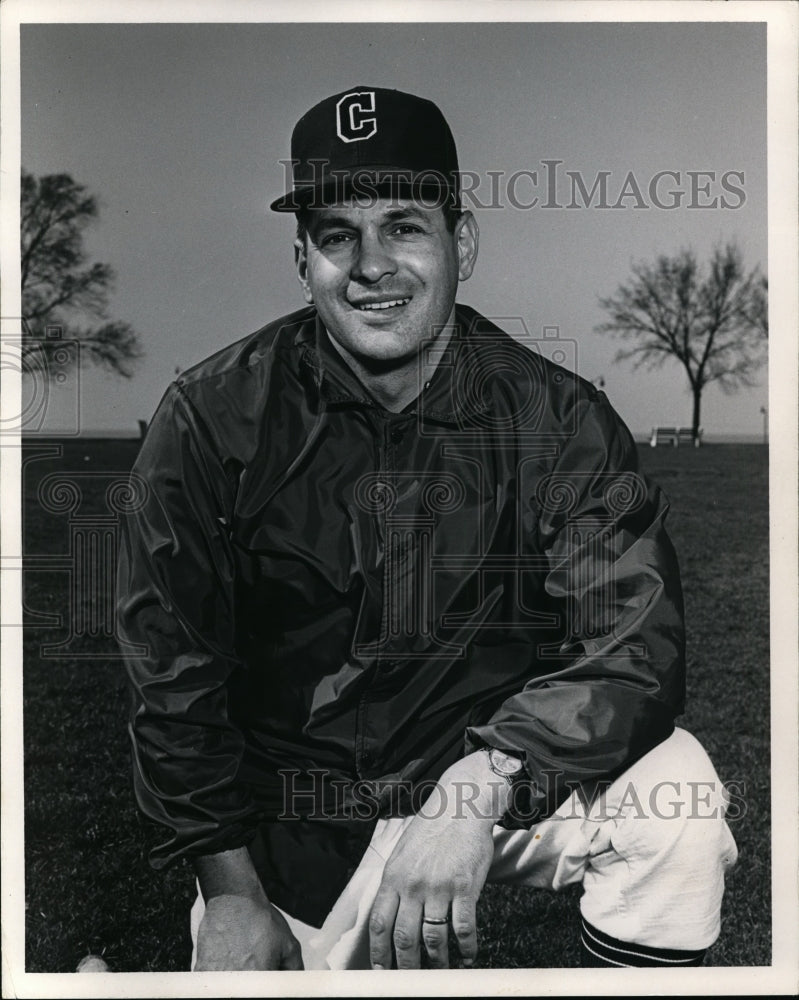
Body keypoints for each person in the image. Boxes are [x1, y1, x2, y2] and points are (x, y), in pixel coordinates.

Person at [117, 86, 738, 972]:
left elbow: (635, 646)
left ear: (462, 242)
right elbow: (171, 676)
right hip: (297, 824)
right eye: (338, 235)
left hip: (493, 777)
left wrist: (480, 784)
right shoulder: (212, 417)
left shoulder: (556, 419)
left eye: (404, 225)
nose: (372, 265)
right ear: (302, 259)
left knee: (675, 795)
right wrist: (229, 895)